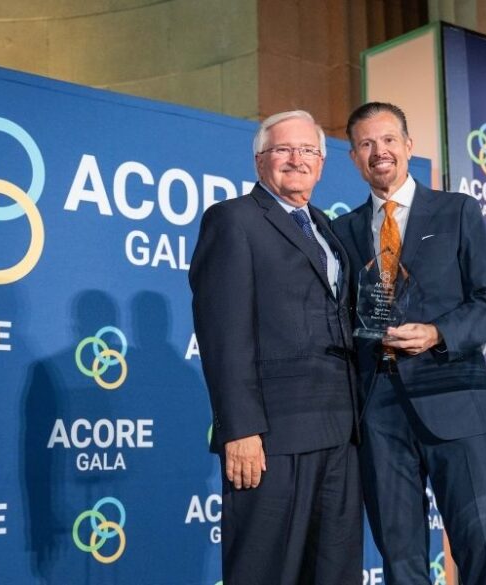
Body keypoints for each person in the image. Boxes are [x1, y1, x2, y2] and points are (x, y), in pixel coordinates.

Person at [332, 102, 486, 585]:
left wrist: (438, 333)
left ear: (409, 147)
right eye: (367, 144)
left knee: (484, 556)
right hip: (380, 413)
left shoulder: (456, 211)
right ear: (353, 157)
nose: (379, 152)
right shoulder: (341, 232)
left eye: (389, 140)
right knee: (401, 562)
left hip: (456, 400)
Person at [189, 110, 362, 585]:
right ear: (260, 159)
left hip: (341, 434)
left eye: (308, 150)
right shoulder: (233, 220)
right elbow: (222, 333)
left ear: (323, 163)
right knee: (265, 572)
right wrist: (239, 429)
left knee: (333, 573)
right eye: (283, 149)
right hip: (272, 438)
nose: (296, 159)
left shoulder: (329, 228)